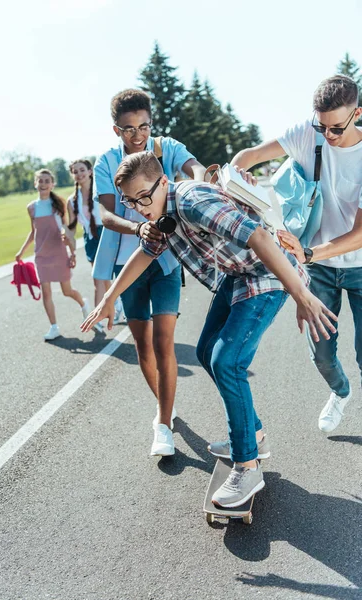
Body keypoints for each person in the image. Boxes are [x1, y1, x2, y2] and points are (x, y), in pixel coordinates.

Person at [81, 151, 336, 507]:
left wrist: (301, 295)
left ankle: (247, 465)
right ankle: (252, 433)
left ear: (163, 182)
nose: (139, 207)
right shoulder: (159, 215)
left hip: (266, 273)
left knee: (226, 361)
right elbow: (145, 252)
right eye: (130, 201)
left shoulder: (191, 201)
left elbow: (260, 238)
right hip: (237, 276)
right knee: (205, 352)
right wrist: (109, 297)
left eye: (143, 197)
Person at [230, 74, 362, 434]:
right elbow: (251, 156)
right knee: (321, 353)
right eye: (322, 127)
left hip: (354, 264)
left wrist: (307, 252)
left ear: (357, 114)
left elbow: (360, 234)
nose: (328, 136)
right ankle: (340, 392)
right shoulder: (310, 133)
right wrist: (237, 180)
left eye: (336, 128)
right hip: (318, 269)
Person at [92, 88, 206, 456]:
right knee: (143, 345)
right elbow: (107, 216)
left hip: (167, 260)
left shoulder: (166, 147)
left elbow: (196, 170)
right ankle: (166, 406)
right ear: (116, 130)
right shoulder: (106, 163)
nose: (138, 135)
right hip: (129, 264)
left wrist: (205, 183)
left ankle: (162, 423)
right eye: (128, 129)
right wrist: (137, 228)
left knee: (165, 343)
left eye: (144, 126)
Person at [15, 168, 90, 340]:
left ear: (52, 184)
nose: (43, 184)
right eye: (40, 181)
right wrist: (21, 251)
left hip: (59, 253)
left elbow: (67, 231)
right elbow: (33, 232)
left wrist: (72, 252)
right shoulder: (31, 208)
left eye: (46, 181)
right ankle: (54, 327)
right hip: (41, 256)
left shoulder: (58, 205)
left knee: (67, 291)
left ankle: (83, 304)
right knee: (46, 292)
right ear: (36, 184)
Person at [67, 158, 124, 330]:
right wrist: (71, 251)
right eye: (75, 172)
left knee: (102, 277)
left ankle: (97, 317)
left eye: (82, 170)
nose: (79, 174)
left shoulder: (101, 192)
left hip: (106, 232)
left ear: (90, 171)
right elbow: (71, 228)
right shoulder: (72, 200)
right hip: (90, 237)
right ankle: (116, 302)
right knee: (101, 278)